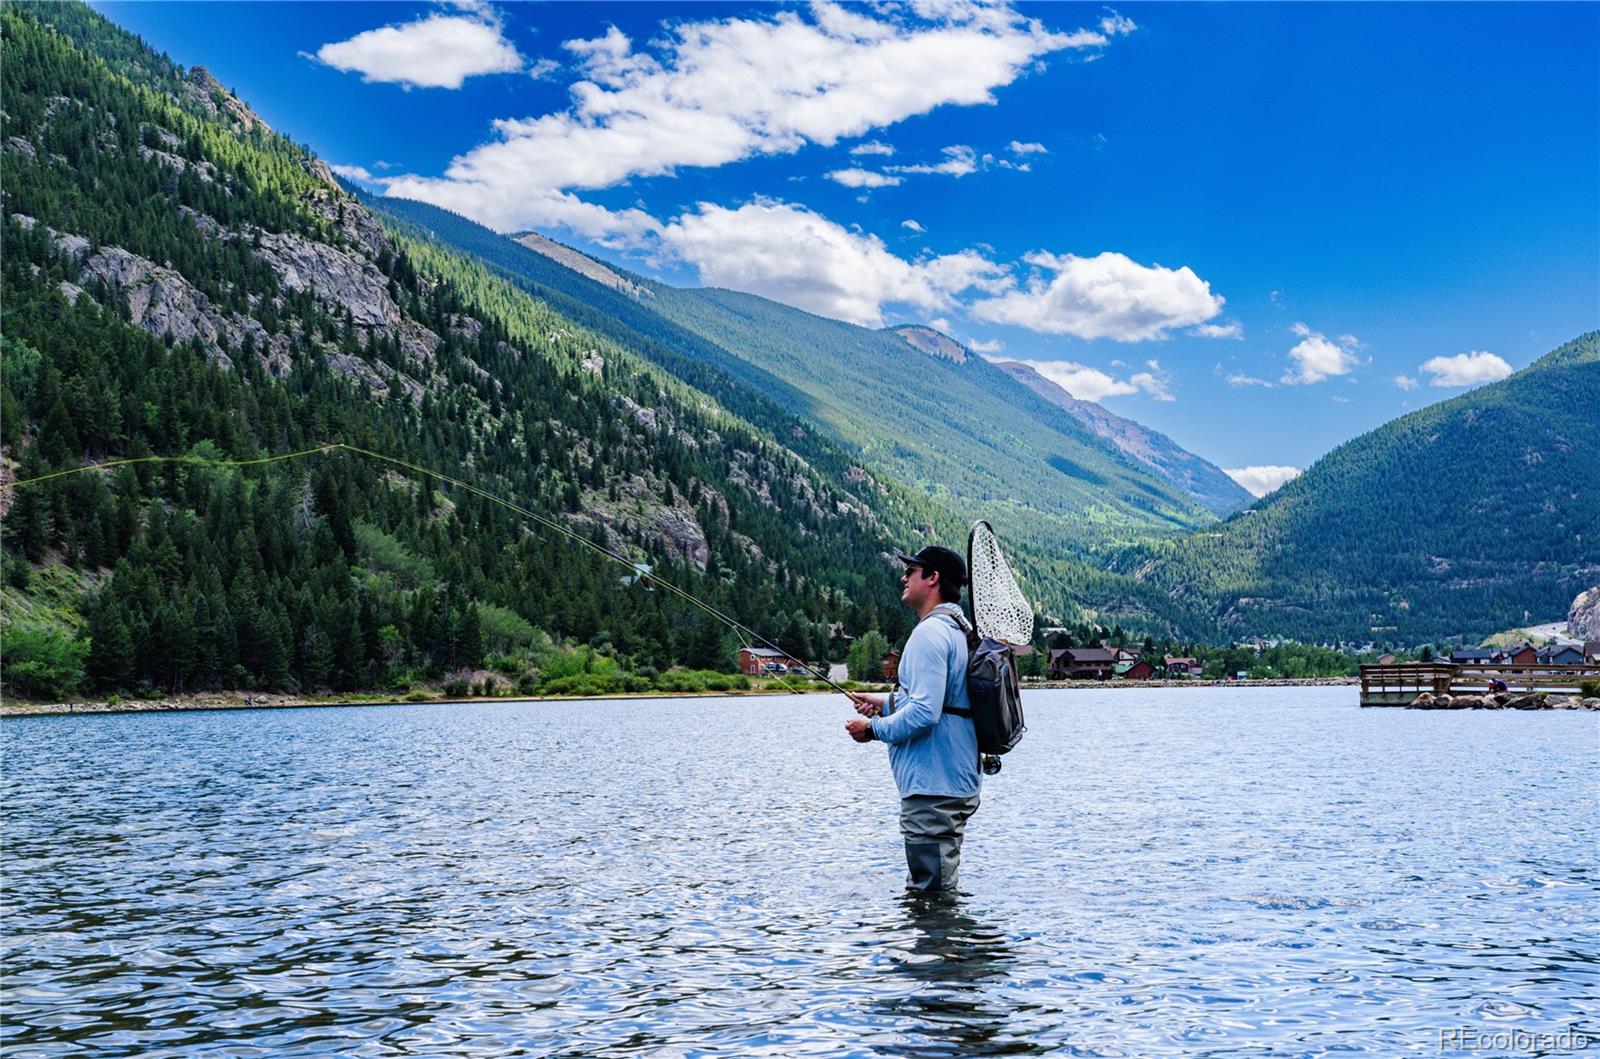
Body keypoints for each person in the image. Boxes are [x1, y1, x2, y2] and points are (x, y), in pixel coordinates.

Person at [845, 545, 980, 892]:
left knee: (930, 895)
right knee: (936, 889)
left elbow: (925, 713)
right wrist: (887, 704)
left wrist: (872, 729)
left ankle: (941, 944)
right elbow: (945, 701)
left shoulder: (929, 633)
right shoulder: (957, 629)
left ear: (933, 578)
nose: (904, 577)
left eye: (913, 571)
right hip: (953, 779)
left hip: (933, 786)